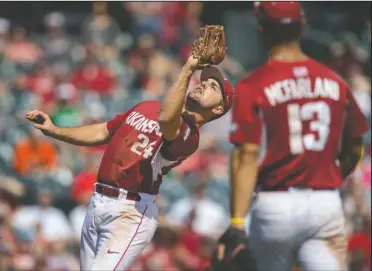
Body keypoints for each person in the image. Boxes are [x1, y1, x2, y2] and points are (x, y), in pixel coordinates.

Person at [25, 54, 233, 270]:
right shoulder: (147, 106)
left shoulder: (190, 136)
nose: (203, 85)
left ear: (218, 109)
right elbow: (103, 131)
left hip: (131, 211)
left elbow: (167, 120)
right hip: (98, 201)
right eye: (204, 81)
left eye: (213, 87)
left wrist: (187, 69)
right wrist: (54, 130)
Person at [217, 2, 369, 271]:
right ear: (302, 27)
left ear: (261, 29)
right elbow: (356, 145)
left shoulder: (254, 84)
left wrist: (237, 221)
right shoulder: (334, 81)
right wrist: (334, 175)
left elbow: (246, 153)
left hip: (277, 203)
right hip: (325, 203)